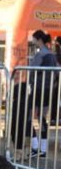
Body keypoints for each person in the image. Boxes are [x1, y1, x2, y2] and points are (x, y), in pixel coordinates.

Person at [29, 29, 58, 158]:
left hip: (38, 88)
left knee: (28, 117)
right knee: (42, 118)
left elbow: (31, 70)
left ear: (38, 39)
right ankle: (43, 149)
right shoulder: (51, 54)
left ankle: (35, 146)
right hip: (48, 89)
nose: (32, 41)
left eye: (34, 38)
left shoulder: (40, 54)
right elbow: (56, 73)